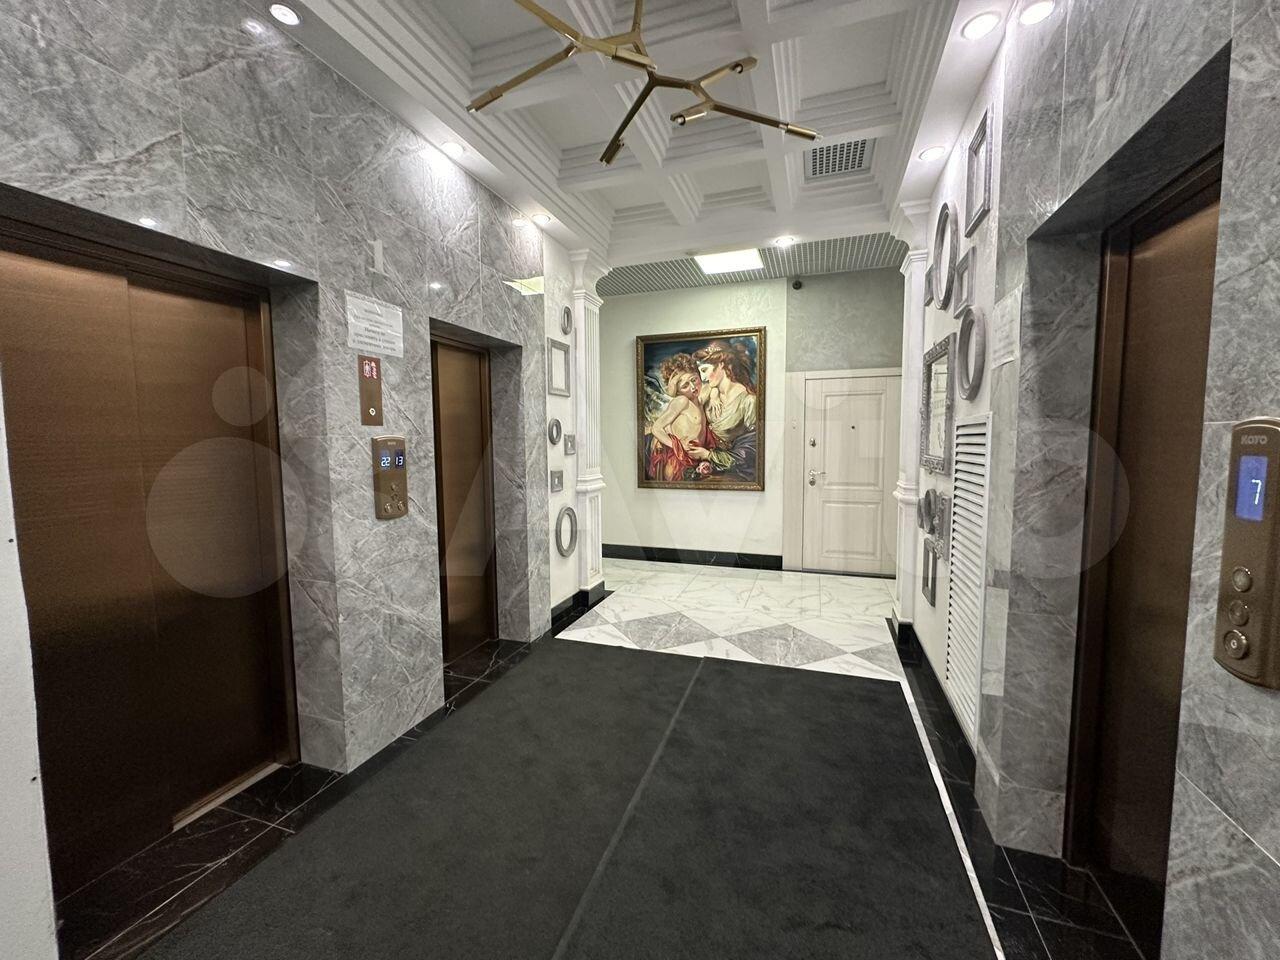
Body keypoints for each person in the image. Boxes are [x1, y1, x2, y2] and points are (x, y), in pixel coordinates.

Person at [685, 339, 758, 481]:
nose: (703, 378)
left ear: (721, 365)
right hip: (701, 461)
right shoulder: (707, 391)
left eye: (704, 370)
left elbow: (748, 456)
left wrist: (708, 455)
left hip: (731, 470)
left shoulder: (748, 401)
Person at [646, 353, 716, 482]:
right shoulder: (681, 401)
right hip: (678, 460)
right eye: (685, 386)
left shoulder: (700, 399)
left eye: (694, 380)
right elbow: (656, 428)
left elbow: (712, 386)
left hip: (696, 460)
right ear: (678, 391)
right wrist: (678, 446)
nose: (693, 387)